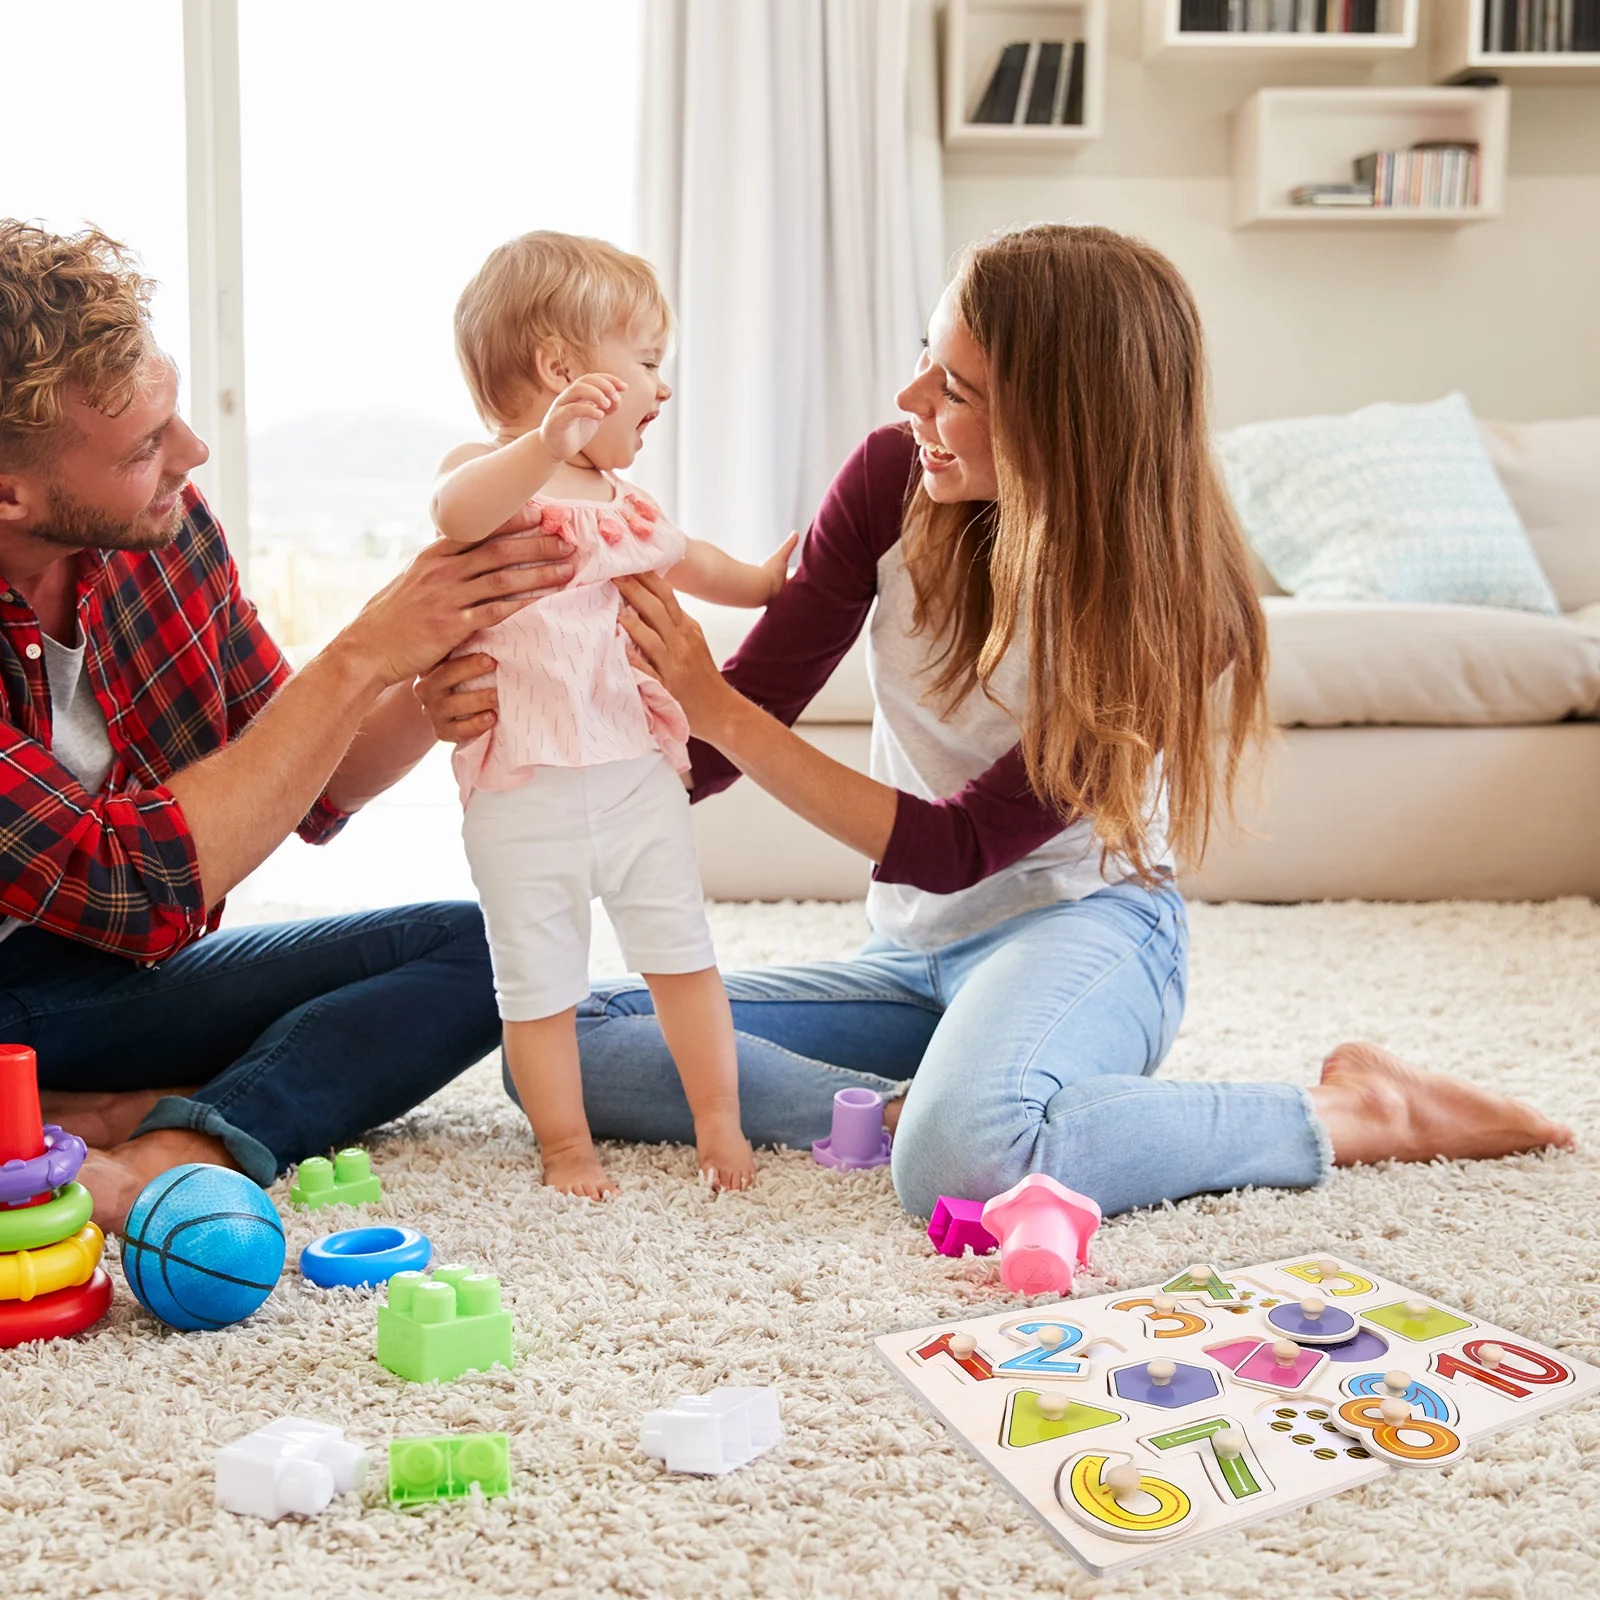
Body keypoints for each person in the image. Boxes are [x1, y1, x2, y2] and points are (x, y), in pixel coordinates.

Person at [421, 222, 1574, 1220]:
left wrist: (705, 700)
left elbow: (956, 842)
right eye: (925, 358)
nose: (909, 398)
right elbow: (748, 717)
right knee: (570, 1047)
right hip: (916, 956)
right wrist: (541, 749)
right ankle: (954, 1094)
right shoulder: (889, 479)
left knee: (958, 1170)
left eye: (954, 387)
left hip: (1087, 932)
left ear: (1062, 422)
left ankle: (1349, 1108)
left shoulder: (1166, 605)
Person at [0, 220, 572, 1230]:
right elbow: (135, 891)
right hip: (47, 965)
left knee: (487, 950)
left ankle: (168, 1134)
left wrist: (420, 676)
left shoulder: (159, 533)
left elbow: (310, 768)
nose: (192, 451)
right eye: (144, 446)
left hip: (85, 979)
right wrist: (359, 653)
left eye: (172, 413)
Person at [433, 233, 792, 1196]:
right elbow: (457, 512)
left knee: (682, 957)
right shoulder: (494, 476)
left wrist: (761, 581)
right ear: (562, 373)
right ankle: (565, 1148)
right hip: (521, 787)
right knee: (539, 984)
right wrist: (541, 446)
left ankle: (720, 1127)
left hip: (634, 775)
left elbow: (692, 559)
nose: (661, 390)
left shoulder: (623, 505)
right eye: (645, 365)